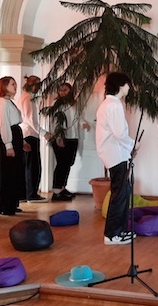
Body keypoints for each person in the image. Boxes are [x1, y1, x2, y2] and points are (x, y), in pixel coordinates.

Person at [95, 72, 136, 245]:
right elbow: (120, 134)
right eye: (127, 84)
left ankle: (120, 231)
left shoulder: (109, 104)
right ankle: (112, 235)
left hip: (115, 154)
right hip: (116, 156)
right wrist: (134, 145)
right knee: (119, 196)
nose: (129, 88)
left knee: (123, 193)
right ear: (120, 85)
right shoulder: (114, 105)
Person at [49, 82, 90, 202]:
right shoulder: (57, 105)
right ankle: (56, 191)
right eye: (60, 90)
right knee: (62, 164)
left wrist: (84, 123)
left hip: (73, 137)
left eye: (65, 90)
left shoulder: (73, 104)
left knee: (68, 163)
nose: (62, 92)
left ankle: (62, 188)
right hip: (62, 138)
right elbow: (55, 123)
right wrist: (58, 137)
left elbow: (77, 117)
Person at [0, 76, 28, 215]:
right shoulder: (3, 103)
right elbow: (5, 125)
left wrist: (23, 142)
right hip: (9, 136)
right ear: (4, 86)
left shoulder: (9, 102)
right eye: (12, 84)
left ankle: (12, 204)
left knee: (15, 171)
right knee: (8, 172)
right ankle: (5, 206)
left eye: (15, 84)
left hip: (15, 135)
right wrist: (8, 145)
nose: (15, 86)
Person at [17, 75, 50, 202]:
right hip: (30, 134)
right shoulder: (28, 98)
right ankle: (31, 194)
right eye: (38, 85)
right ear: (32, 85)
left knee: (28, 165)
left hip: (27, 133)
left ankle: (25, 194)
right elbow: (30, 119)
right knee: (33, 166)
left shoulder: (24, 97)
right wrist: (43, 132)